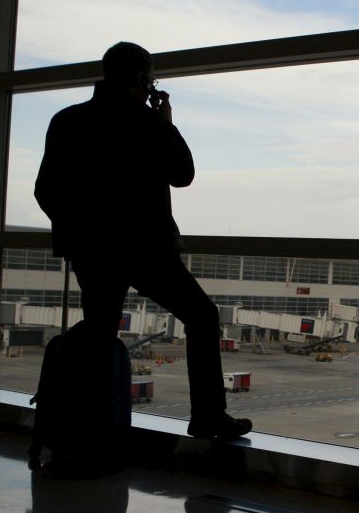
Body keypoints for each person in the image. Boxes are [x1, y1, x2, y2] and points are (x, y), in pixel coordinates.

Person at [35, 41, 251, 441]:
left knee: (100, 335)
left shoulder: (66, 121)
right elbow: (183, 174)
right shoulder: (147, 124)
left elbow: (46, 191)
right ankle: (207, 415)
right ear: (141, 79)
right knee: (202, 317)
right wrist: (166, 122)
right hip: (146, 249)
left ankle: (87, 428)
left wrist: (81, 236)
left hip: (93, 252)